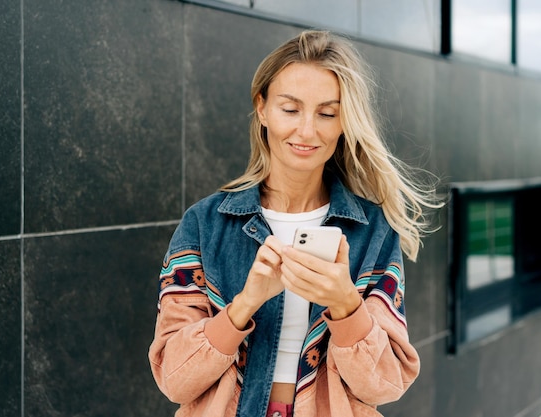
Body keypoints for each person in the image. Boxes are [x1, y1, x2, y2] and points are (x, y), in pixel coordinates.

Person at [148, 29, 443, 417]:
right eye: (290, 109)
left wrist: (346, 304)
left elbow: (384, 385)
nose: (307, 131)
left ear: (344, 122)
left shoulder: (373, 231)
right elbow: (173, 379)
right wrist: (246, 304)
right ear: (262, 108)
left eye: (327, 113)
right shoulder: (205, 224)